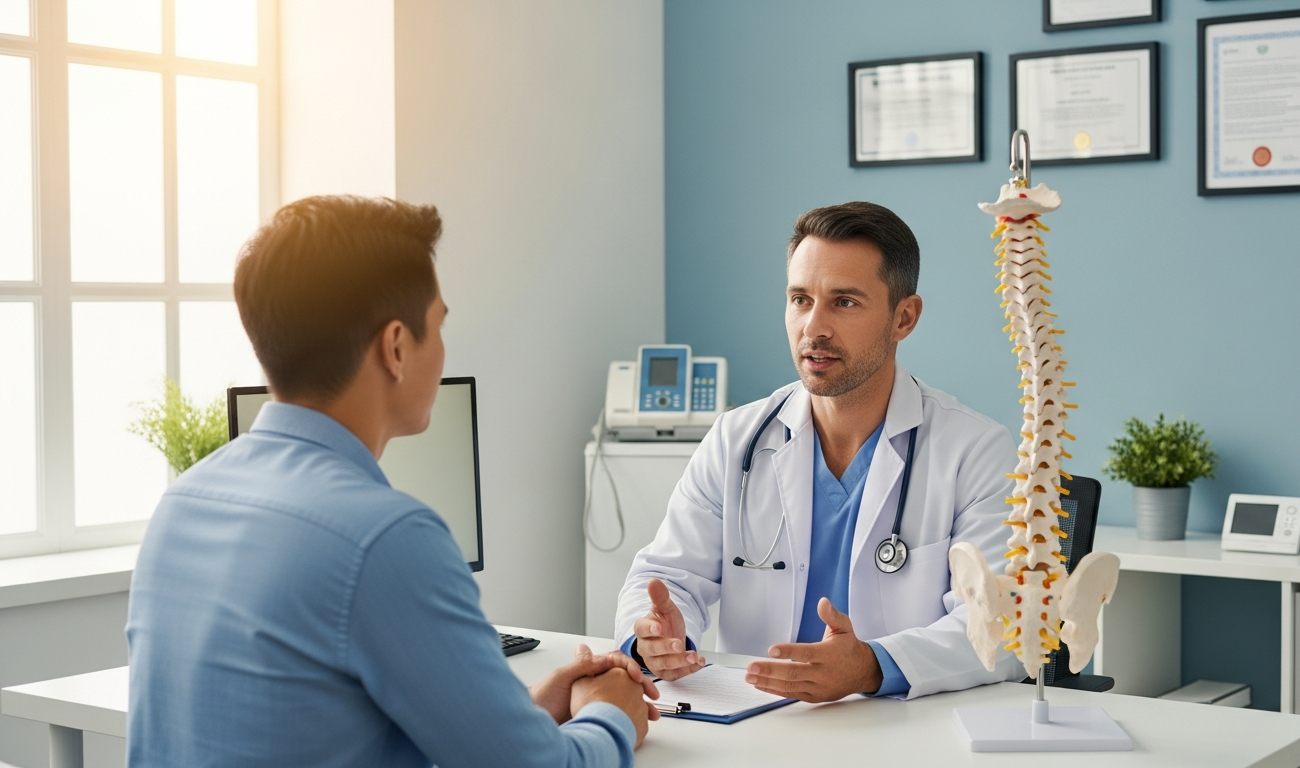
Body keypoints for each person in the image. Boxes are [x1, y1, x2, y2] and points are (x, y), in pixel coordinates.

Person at [127, 196, 657, 767]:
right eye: (439, 327)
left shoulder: (181, 503)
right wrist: (611, 714)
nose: (444, 349)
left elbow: (304, 725)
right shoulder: (386, 538)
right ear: (397, 347)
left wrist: (522, 711)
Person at [616, 202, 1025, 702]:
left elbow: (1001, 627)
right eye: (800, 299)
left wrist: (874, 666)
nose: (814, 327)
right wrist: (652, 637)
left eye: (844, 302)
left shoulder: (975, 450)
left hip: (906, 727)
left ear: (904, 318)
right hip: (756, 721)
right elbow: (667, 576)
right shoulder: (736, 439)